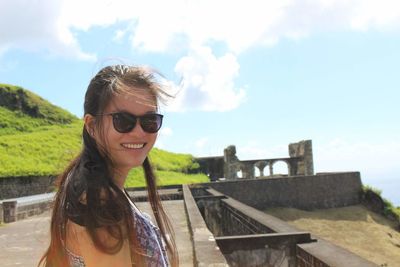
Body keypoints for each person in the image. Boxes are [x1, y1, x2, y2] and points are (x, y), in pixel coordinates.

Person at [38, 65, 178, 267]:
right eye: (123, 120)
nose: (139, 132)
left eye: (150, 120)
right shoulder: (101, 206)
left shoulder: (88, 187)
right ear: (92, 126)